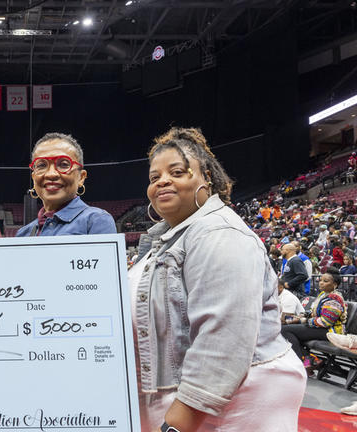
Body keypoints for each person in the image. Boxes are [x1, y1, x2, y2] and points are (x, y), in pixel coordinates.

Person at [129, 127, 305, 432]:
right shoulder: (169, 239)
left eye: (178, 171)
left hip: (227, 413)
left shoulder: (219, 233)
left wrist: (176, 425)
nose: (162, 181)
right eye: (154, 177)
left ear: (206, 178)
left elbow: (223, 341)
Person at [16, 133, 115, 237]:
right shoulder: (23, 234)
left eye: (64, 165)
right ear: (34, 177)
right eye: (41, 165)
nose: (51, 174)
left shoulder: (96, 221)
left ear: (81, 177)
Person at [281, 267, 346, 372]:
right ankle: (308, 358)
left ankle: (304, 360)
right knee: (284, 326)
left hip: (331, 331)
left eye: (325, 281)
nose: (321, 283)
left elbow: (326, 322)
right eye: (320, 280)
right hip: (320, 328)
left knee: (285, 330)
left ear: (335, 285)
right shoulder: (323, 295)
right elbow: (312, 313)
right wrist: (295, 318)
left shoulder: (334, 299)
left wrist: (303, 321)